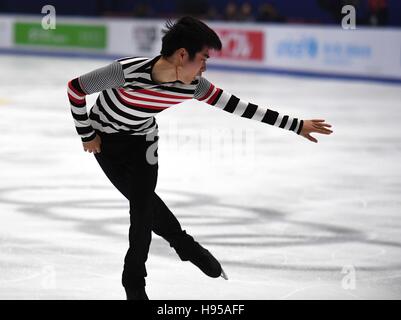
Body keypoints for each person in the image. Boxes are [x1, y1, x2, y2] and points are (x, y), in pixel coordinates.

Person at [67, 16, 333, 300]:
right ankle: (186, 246)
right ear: (182, 55)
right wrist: (87, 135)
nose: (205, 67)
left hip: (144, 141)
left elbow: (239, 107)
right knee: (144, 204)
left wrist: (296, 125)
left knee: (142, 208)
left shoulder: (193, 86)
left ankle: (134, 281)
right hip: (104, 142)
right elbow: (75, 88)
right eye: (203, 59)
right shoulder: (126, 71)